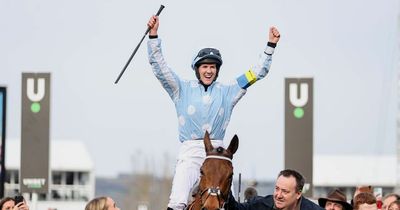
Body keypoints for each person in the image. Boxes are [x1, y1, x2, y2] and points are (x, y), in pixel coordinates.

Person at [146, 15, 280, 210]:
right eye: (205, 66)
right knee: (177, 202)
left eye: (213, 67)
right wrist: (153, 36)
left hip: (218, 153)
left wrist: (270, 46)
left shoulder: (229, 90)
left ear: (217, 70)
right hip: (190, 152)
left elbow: (256, 72)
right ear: (197, 69)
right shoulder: (180, 89)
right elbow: (160, 68)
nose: (209, 71)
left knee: (228, 205)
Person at [226, 169, 323, 210]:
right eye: (277, 189)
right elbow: (235, 208)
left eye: (285, 191)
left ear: (298, 194)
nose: (278, 195)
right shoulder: (263, 204)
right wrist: (224, 185)